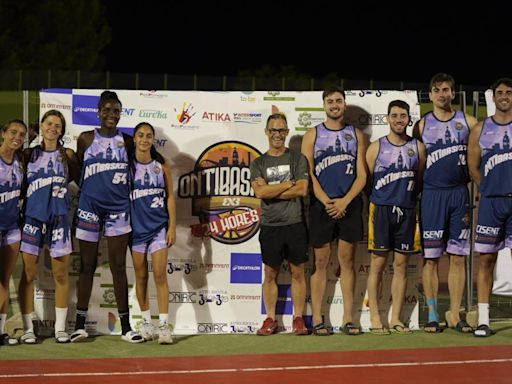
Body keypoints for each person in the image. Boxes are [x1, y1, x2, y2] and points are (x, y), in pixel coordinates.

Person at [70, 91, 143, 343]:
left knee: (119, 267)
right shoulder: (87, 138)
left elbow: (139, 167)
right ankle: (79, 325)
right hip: (90, 207)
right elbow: (80, 170)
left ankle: (126, 327)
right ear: (99, 111)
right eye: (107, 110)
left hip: (119, 209)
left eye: (116, 110)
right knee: (87, 266)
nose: (111, 114)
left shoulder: (128, 141)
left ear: (121, 113)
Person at [413, 73, 478, 333]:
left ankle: (454, 313)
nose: (442, 94)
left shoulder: (469, 122)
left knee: (458, 257)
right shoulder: (421, 125)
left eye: (447, 90)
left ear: (453, 93)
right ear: (430, 95)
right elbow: (414, 162)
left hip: (459, 194)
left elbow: (480, 157)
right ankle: (431, 313)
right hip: (431, 195)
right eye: (438, 90)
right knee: (430, 259)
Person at [301, 86, 367, 335]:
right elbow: (308, 173)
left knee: (347, 261)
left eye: (339, 100)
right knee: (320, 262)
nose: (334, 105)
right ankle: (318, 318)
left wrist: (345, 201)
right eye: (330, 101)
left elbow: (362, 175)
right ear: (324, 105)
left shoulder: (356, 134)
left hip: (349, 204)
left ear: (345, 104)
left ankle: (349, 318)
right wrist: (328, 201)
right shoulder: (313, 134)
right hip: (322, 206)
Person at [18, 110, 80, 344]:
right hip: (32, 219)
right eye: (49, 123)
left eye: (58, 125)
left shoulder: (69, 155)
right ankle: (27, 328)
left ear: (62, 130)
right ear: (41, 126)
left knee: (61, 275)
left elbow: (77, 181)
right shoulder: (28, 154)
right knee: (29, 274)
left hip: (59, 221)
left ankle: (60, 329)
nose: (53, 128)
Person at [366, 100, 426, 334]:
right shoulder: (376, 147)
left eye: (403, 116)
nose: (399, 120)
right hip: (380, 210)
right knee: (377, 265)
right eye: (394, 115)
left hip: (408, 210)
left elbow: (419, 178)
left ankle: (396, 318)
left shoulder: (418, 148)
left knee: (401, 266)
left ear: (409, 119)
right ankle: (374, 318)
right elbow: (369, 180)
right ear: (388, 118)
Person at [251, 113, 309, 336]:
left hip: (295, 223)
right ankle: (270, 319)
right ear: (267, 132)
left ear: (287, 132)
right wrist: (288, 184)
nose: (277, 134)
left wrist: (271, 190)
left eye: (281, 130)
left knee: (298, 272)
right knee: (270, 274)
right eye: (273, 130)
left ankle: (298, 319)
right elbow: (260, 192)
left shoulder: (297, 159)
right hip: (270, 225)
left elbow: (302, 190)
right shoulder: (258, 163)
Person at [468, 77, 512, 337]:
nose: (505, 96)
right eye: (500, 93)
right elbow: (473, 166)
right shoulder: (481, 129)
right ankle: (484, 319)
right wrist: (486, 187)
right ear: (493, 98)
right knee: (486, 260)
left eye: (509, 92)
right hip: (492, 202)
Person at [129, 122, 176, 344]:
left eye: (149, 136)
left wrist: (172, 226)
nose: (145, 139)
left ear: (153, 140)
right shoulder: (128, 165)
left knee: (159, 274)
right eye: (141, 135)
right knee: (140, 276)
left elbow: (170, 197)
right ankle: (146, 322)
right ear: (135, 139)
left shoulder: (161, 164)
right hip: (136, 230)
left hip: (158, 228)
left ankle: (164, 326)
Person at [0, 119, 26, 346]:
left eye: (22, 134)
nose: (17, 137)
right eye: (13, 132)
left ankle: (0, 332)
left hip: (12, 228)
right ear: (3, 134)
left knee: (5, 279)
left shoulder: (19, 161)